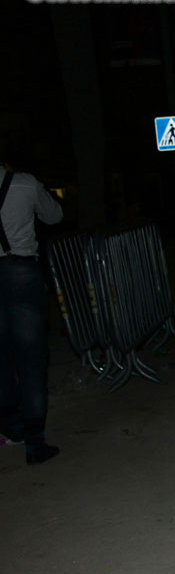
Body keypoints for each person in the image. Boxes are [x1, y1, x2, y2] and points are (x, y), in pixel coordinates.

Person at [0, 162, 63, 464]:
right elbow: (54, 215)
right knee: (31, 360)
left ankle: (12, 426)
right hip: (21, 271)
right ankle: (35, 442)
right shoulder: (24, 182)